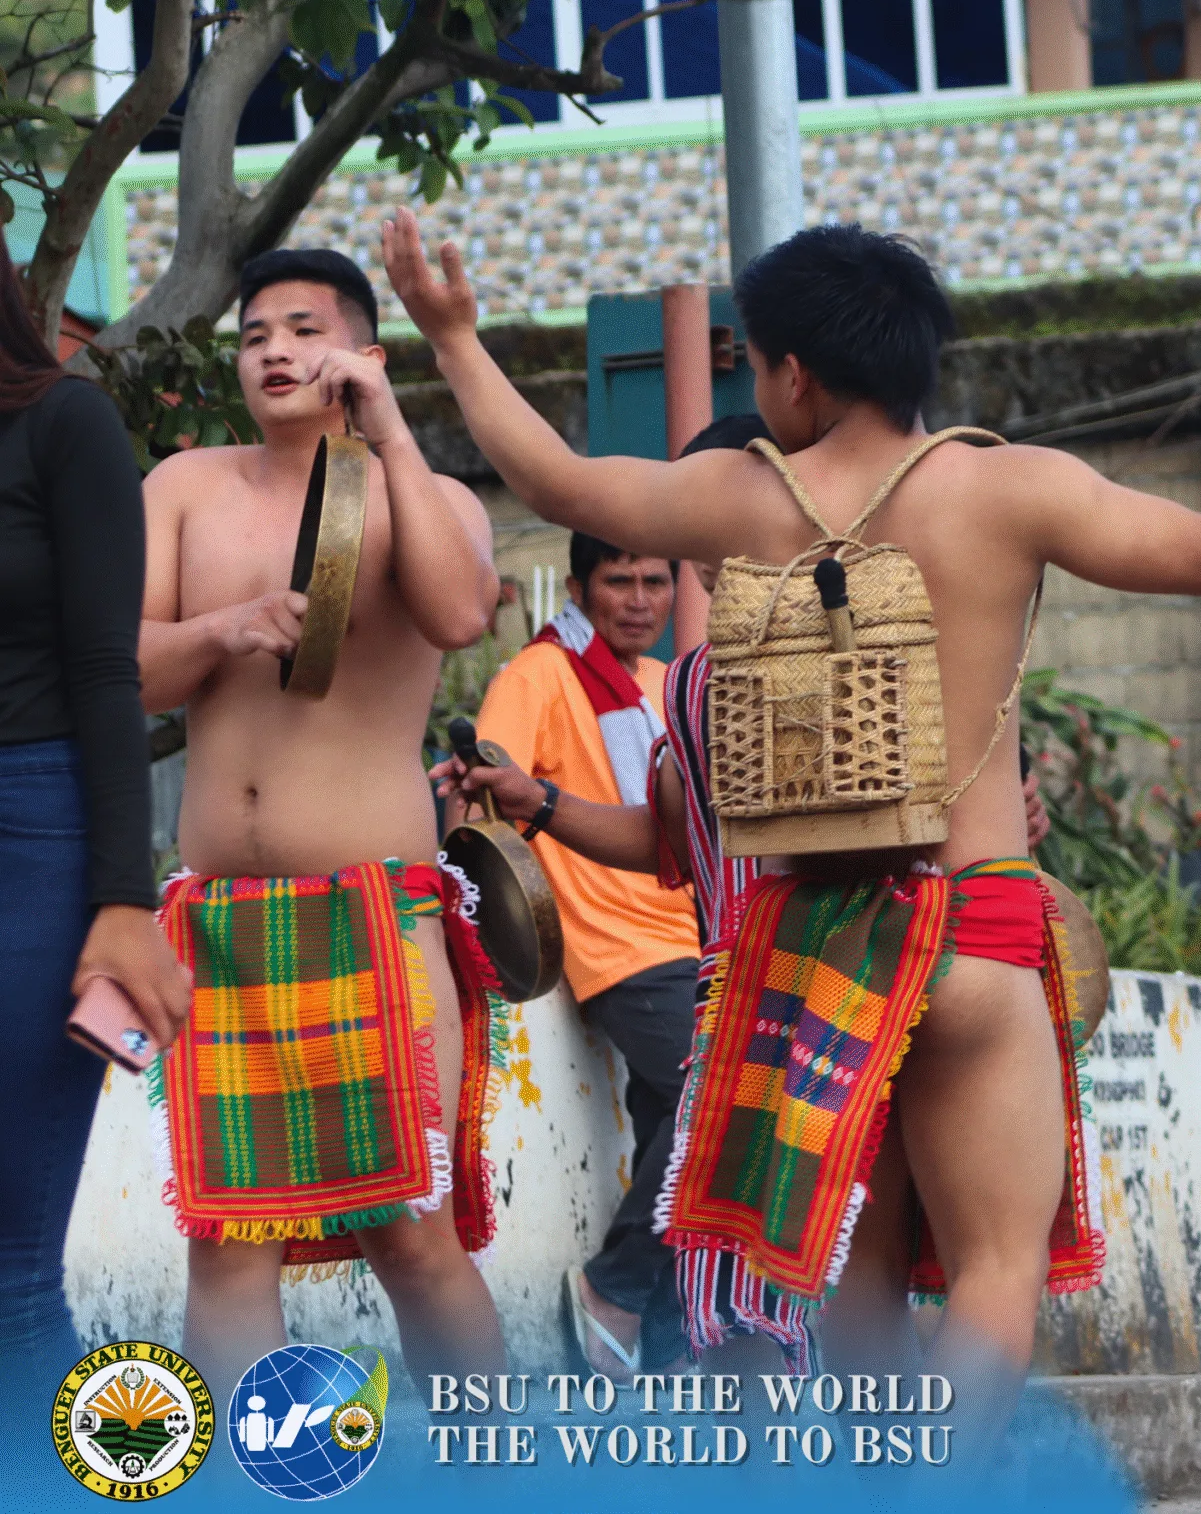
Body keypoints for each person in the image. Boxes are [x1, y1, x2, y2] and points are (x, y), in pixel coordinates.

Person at [387, 207, 1201, 1425]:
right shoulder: (1010, 485)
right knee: (994, 1263)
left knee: (865, 1264)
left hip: (809, 937)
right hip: (976, 921)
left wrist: (456, 336)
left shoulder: (741, 501)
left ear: (794, 372)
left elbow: (556, 481)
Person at [137, 246, 507, 1401]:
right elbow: (127, 667)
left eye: (304, 330)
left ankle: (491, 1480)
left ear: (360, 353)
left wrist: (390, 434)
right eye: (254, 338)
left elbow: (457, 613)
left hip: (374, 909)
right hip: (226, 926)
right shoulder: (185, 486)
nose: (275, 353)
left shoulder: (428, 498)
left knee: (409, 1229)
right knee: (226, 1236)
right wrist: (227, 628)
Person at [0, 247, 189, 1434]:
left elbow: (105, 669)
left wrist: (121, 895)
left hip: (36, 827)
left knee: (9, 1272)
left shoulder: (63, 425)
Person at [470, 532, 696, 1379]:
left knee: (679, 1127)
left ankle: (670, 1340)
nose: (638, 598)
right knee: (710, 1100)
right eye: (618, 581)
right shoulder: (536, 674)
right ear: (577, 586)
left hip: (688, 936)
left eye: (653, 579)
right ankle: (614, 1288)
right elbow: (489, 795)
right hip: (616, 948)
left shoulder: (662, 685)